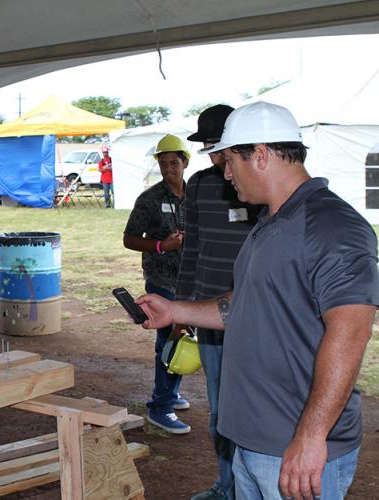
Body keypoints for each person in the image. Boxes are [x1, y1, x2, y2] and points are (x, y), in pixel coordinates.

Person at [136, 102, 379, 500]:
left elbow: (351, 334)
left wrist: (311, 436)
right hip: (251, 439)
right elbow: (246, 304)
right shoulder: (269, 221)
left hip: (292, 449)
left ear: (261, 155)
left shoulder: (333, 227)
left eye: (230, 159)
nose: (225, 172)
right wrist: (176, 310)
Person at [178, 104, 261, 500]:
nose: (215, 156)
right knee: (220, 410)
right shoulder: (197, 185)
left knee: (255, 408)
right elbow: (191, 245)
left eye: (220, 146)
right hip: (209, 315)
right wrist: (183, 303)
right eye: (209, 147)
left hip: (255, 316)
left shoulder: (259, 187)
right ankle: (226, 486)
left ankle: (250, 487)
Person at [122, 133, 190, 434]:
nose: (168, 169)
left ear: (185, 162)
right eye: (163, 164)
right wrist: (162, 246)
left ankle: (170, 393)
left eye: (173, 163)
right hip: (161, 280)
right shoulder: (150, 199)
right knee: (169, 339)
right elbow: (129, 239)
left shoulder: (197, 195)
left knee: (183, 335)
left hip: (190, 280)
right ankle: (159, 407)